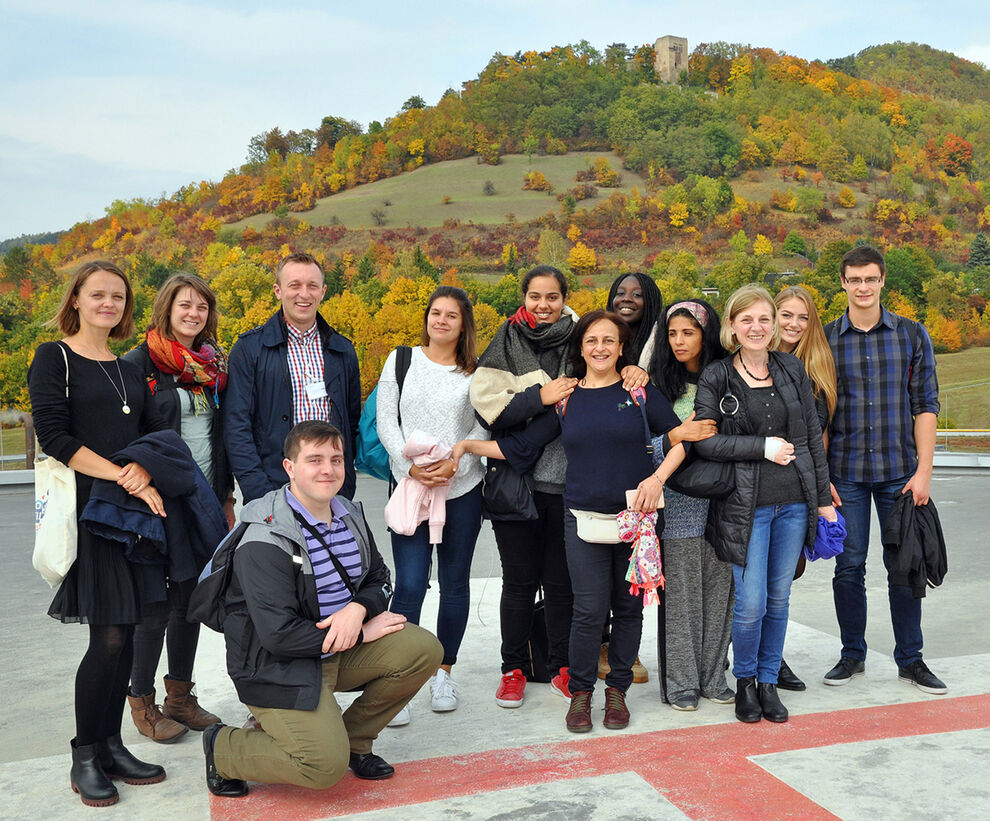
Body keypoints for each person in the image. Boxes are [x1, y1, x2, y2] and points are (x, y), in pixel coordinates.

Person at [202, 421, 443, 798]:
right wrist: (361, 631)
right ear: (289, 468)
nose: (328, 469)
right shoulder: (264, 538)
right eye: (314, 460)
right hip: (276, 665)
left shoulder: (348, 512)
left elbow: (379, 577)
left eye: (336, 459)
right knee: (321, 767)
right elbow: (279, 636)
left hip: (335, 648)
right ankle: (224, 748)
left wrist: (357, 611)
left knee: (423, 649)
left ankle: (353, 742)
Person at [29, 261, 170, 807]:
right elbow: (54, 435)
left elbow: (152, 435)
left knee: (129, 631)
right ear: (78, 300)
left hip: (131, 514)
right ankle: (85, 752)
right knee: (108, 636)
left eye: (117, 297)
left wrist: (146, 470)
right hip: (91, 514)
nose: (108, 304)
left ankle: (111, 744)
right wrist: (122, 473)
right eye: (98, 295)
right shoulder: (54, 357)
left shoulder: (129, 367)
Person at [692, 285, 835, 724]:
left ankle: (769, 682)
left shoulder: (791, 368)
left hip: (794, 503)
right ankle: (746, 682)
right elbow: (706, 440)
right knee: (750, 602)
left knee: (779, 598)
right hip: (745, 508)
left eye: (764, 320)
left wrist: (824, 501)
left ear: (774, 326)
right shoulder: (718, 376)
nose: (757, 328)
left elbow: (811, 438)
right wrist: (762, 447)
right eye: (747, 320)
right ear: (732, 327)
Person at [555, 310, 688, 733]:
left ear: (621, 346)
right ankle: (580, 694)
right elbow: (522, 442)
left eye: (609, 341)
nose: (600, 348)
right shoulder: (564, 397)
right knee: (589, 611)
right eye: (592, 340)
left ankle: (618, 692)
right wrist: (468, 446)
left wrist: (656, 479)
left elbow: (681, 441)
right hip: (583, 519)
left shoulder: (639, 391)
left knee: (629, 609)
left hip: (638, 521)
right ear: (580, 346)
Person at [822, 245, 944, 694]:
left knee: (904, 566)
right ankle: (852, 654)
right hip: (846, 474)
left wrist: (924, 472)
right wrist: (823, 479)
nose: (863, 287)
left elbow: (925, 406)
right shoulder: (827, 339)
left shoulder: (912, 335)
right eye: (854, 280)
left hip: (900, 472)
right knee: (849, 567)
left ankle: (910, 659)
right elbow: (820, 414)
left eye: (870, 279)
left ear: (883, 281)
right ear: (843, 283)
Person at [122, 274, 232, 743]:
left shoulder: (213, 366)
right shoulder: (138, 363)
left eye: (202, 308)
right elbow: (121, 435)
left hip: (203, 498)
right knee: (154, 606)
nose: (193, 314)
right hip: (155, 502)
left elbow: (219, 435)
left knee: (190, 601)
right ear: (166, 308)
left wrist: (225, 496)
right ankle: (140, 700)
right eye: (185, 305)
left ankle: (180, 697)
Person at [468, 265, 579, 708]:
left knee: (560, 582)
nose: (543, 305)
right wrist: (542, 397)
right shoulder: (505, 340)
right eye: (535, 296)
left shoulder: (580, 338)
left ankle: (562, 666)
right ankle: (511, 669)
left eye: (552, 297)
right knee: (517, 582)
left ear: (564, 298)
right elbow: (490, 411)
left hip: (568, 485)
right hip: (516, 484)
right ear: (524, 297)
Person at [377, 286, 487, 723]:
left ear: (464, 325)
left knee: (455, 583)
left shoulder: (476, 373)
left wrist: (451, 470)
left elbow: (480, 430)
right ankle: (398, 682)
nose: (441, 321)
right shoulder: (400, 359)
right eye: (435, 313)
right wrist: (411, 470)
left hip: (461, 489)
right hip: (409, 487)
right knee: (409, 584)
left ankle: (444, 672)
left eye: (451, 315)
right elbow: (387, 420)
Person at [650, 299, 733, 711]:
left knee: (721, 594)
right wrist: (674, 436)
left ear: (706, 334)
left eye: (689, 332)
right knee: (681, 598)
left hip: (724, 503)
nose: (680, 341)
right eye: (672, 333)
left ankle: (714, 676)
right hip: (679, 503)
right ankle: (681, 682)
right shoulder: (656, 384)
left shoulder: (728, 377)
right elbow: (641, 447)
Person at [225, 251, 361, 503]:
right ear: (278, 291)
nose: (304, 294)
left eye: (312, 286)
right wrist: (259, 492)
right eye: (294, 285)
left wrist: (345, 484)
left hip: (332, 489)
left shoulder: (343, 351)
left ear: (323, 291)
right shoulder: (249, 349)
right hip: (273, 488)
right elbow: (236, 427)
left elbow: (351, 423)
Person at [772, 284, 838, 692]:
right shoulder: (747, 363)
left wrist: (822, 487)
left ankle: (769, 655)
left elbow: (821, 438)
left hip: (799, 488)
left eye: (803, 317)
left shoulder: (816, 369)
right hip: (758, 486)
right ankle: (765, 662)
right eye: (786, 314)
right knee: (755, 581)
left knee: (786, 575)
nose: (794, 324)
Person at [606, 272, 663, 368]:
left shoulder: (664, 346)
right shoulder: (594, 341)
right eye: (620, 293)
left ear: (650, 302)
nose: (626, 299)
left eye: (637, 294)